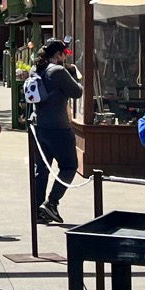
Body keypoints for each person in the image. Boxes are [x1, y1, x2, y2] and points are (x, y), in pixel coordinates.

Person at [32, 39, 84, 225]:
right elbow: (77, 92)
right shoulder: (59, 71)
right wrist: (73, 74)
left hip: (39, 126)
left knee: (42, 169)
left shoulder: (35, 69)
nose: (64, 58)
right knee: (69, 167)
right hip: (59, 127)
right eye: (64, 54)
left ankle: (37, 210)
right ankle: (52, 202)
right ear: (58, 55)